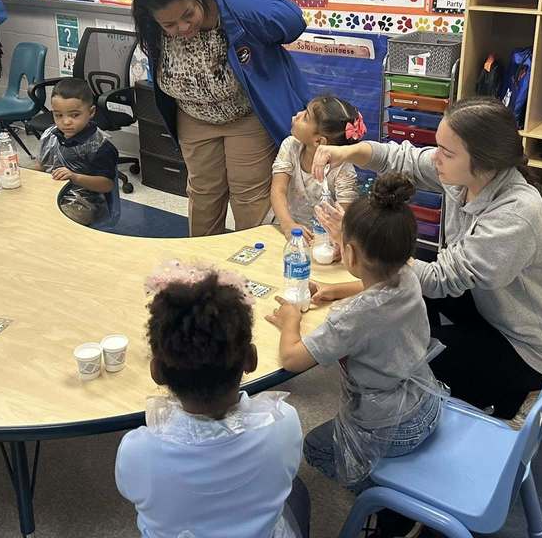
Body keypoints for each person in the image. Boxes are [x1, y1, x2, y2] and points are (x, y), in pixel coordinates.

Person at [311, 97, 542, 422]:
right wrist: (346, 152)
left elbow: (440, 279)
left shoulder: (516, 214)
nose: (435, 157)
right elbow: (402, 158)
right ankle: (447, 352)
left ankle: (533, 392)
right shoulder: (466, 176)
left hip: (533, 348)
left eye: (446, 152)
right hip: (492, 305)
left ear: (484, 161)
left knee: (408, 362)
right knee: (417, 280)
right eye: (438, 146)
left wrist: (364, 241)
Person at [266, 174, 446, 493]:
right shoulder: (408, 275)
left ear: (348, 254)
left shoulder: (353, 318)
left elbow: (292, 359)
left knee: (315, 447)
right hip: (428, 401)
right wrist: (336, 290)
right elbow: (377, 288)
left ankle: (385, 498)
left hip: (392, 427)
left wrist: (290, 319)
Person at [116, 262, 310, 538]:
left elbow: (133, 491)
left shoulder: (137, 451)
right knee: (297, 493)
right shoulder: (284, 422)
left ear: (156, 371)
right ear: (251, 359)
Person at [132, 0, 309, 237]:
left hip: (245, 113)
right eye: (170, 24)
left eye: (188, 15)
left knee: (250, 197)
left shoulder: (235, 1)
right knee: (203, 194)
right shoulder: (152, 25)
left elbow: (293, 21)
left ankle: (254, 258)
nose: (183, 28)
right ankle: (204, 261)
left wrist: (252, 20)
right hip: (193, 115)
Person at [269, 96, 362, 241]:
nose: (297, 115)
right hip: (288, 226)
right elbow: (278, 190)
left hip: (325, 238)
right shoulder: (291, 146)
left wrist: (332, 241)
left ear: (318, 141)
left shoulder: (343, 168)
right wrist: (288, 225)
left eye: (305, 117)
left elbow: (343, 217)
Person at [35, 78, 119, 227]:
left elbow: (106, 185)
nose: (66, 122)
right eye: (58, 115)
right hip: (51, 193)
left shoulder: (100, 146)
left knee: (53, 223)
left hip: (85, 203)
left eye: (74, 115)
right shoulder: (50, 135)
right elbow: (41, 166)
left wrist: (75, 177)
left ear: (91, 112)